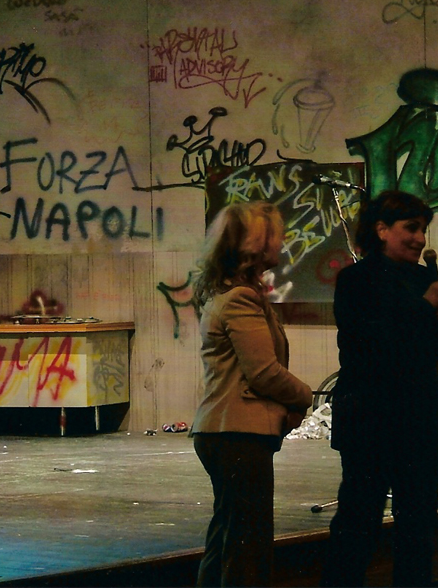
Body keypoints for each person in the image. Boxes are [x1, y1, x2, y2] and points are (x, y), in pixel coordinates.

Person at [321, 190, 438, 587]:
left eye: (423, 229)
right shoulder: (356, 280)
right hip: (370, 419)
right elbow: (370, 345)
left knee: (418, 527)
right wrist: (425, 308)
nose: (420, 239)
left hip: (419, 419)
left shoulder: (423, 278)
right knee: (358, 522)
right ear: (381, 230)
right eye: (411, 228)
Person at [191, 200, 313, 587]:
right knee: (248, 548)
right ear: (256, 243)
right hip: (237, 434)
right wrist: (306, 396)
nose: (282, 241)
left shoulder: (232, 294)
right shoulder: (241, 298)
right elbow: (263, 373)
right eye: (275, 234)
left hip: (225, 433)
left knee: (228, 538)